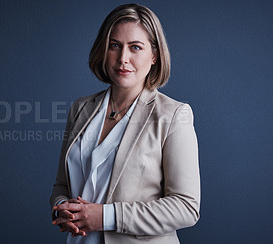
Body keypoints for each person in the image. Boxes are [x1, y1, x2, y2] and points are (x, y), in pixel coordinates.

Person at [50, 3, 200, 244]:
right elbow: (61, 185)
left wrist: (106, 216)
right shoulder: (80, 108)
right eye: (115, 46)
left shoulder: (174, 115)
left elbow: (186, 207)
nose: (123, 58)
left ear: (154, 55)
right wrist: (61, 208)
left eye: (135, 47)